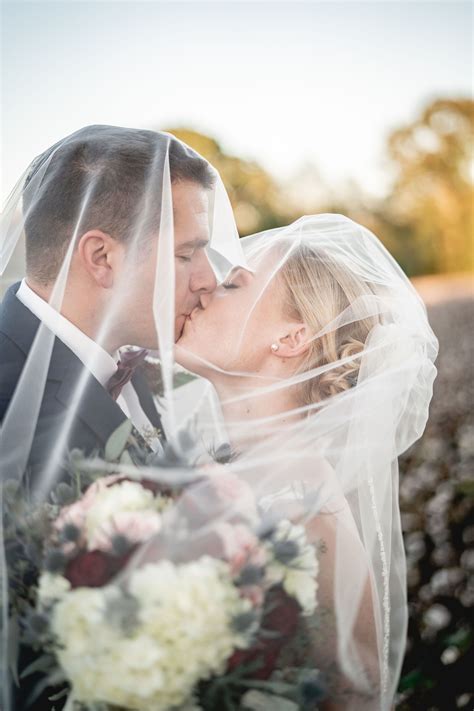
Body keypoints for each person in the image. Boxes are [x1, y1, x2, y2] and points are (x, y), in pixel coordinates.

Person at [176, 214, 439, 709]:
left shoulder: (304, 500)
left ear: (292, 339)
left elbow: (353, 695)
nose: (207, 287)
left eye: (234, 285)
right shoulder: (208, 464)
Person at [0, 125, 229, 495]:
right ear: (101, 258)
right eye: (185, 255)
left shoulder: (137, 364)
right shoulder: (8, 400)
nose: (209, 281)